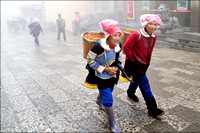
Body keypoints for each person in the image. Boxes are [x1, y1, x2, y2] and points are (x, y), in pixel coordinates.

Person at [122, 14, 165, 117]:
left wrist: (147, 60)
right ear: (145, 24)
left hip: (145, 63)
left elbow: (150, 49)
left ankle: (130, 92)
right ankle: (152, 108)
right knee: (144, 83)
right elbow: (126, 47)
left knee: (137, 80)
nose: (153, 26)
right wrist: (133, 60)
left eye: (155, 24)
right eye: (151, 24)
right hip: (135, 63)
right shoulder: (136, 35)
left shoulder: (154, 36)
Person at [85, 19, 123, 132]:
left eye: (119, 35)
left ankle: (98, 99)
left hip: (112, 76)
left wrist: (117, 67)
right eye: (114, 35)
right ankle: (112, 123)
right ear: (108, 35)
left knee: (109, 90)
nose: (117, 38)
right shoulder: (98, 45)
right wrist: (105, 69)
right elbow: (89, 60)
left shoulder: (119, 45)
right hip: (101, 76)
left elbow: (119, 58)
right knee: (108, 98)